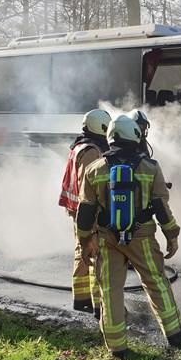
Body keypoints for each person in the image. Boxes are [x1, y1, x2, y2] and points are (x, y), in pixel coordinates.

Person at [76, 115, 181, 358]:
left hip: (107, 239)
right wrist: (172, 235)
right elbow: (161, 208)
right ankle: (175, 334)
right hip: (143, 238)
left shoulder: (95, 169)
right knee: (156, 282)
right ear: (134, 136)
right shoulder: (150, 167)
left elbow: (85, 212)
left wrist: (85, 241)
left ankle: (117, 346)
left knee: (110, 289)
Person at [59, 109, 111, 317]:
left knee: (82, 250)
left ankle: (81, 298)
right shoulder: (91, 150)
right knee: (96, 253)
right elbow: (89, 183)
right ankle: (100, 304)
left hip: (76, 208)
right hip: (86, 208)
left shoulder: (79, 145)